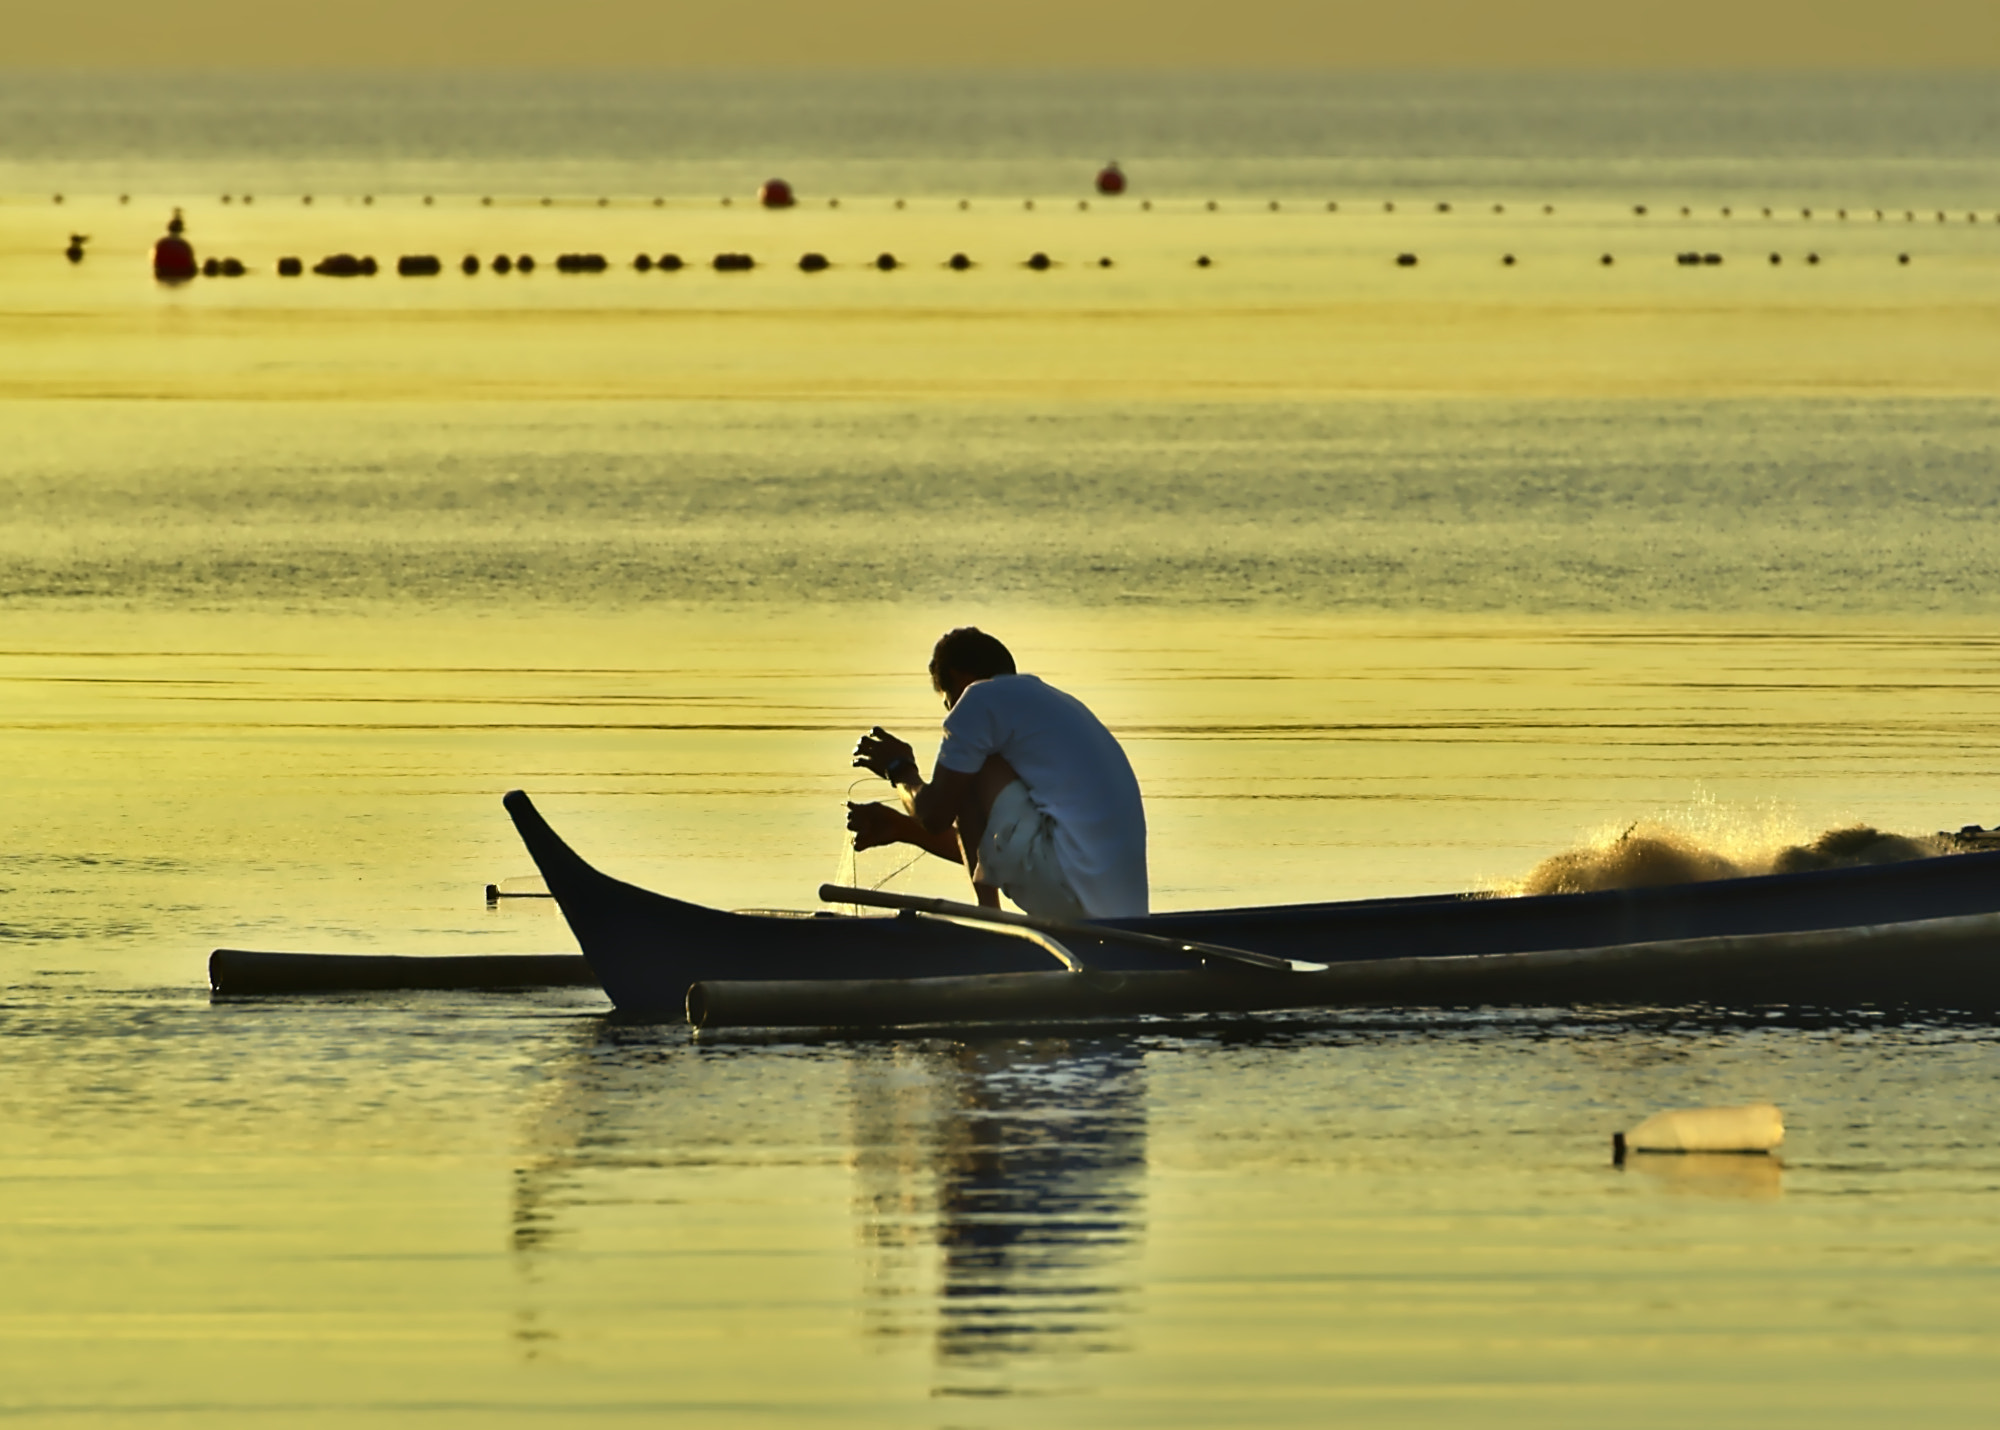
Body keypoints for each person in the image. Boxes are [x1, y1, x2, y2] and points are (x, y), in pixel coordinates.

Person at [847, 628, 1148, 920]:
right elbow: (988, 846)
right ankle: (991, 917)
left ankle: (988, 919)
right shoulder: (1048, 706)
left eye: (948, 702)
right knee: (976, 770)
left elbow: (934, 816)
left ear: (955, 678)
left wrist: (899, 769)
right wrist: (906, 830)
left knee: (974, 767)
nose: (951, 712)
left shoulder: (978, 699)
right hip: (1118, 910)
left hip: (1070, 890)